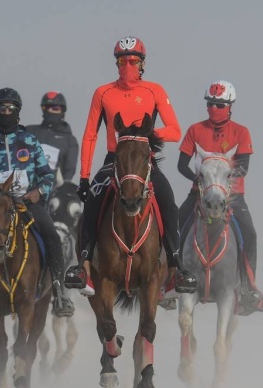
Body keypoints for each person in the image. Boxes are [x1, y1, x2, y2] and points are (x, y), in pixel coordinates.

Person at [64, 36, 197, 296]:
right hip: (114, 161)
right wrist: (84, 177)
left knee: (168, 202)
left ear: (142, 63)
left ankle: (175, 268)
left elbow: (175, 130)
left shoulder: (154, 90)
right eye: (122, 61)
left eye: (133, 60)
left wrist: (142, 135)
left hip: (145, 161)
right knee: (93, 199)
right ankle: (84, 267)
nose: (128, 65)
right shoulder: (103, 92)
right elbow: (90, 135)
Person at [0, 87, 75, 318]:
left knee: (51, 234)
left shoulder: (30, 141)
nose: (6, 112)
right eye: (1, 108)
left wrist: (38, 191)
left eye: (10, 108)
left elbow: (47, 174)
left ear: (18, 111)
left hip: (27, 203)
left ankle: (59, 291)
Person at [177, 80, 263, 316]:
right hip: (199, 194)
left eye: (219, 104)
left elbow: (243, 167)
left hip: (232, 196)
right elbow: (181, 164)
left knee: (250, 234)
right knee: (173, 227)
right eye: (211, 104)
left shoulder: (241, 132)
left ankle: (249, 288)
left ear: (230, 106)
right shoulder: (195, 130)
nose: (214, 108)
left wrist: (221, 184)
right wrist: (199, 181)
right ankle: (170, 280)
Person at [25, 91, 79, 186]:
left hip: (51, 192)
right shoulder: (29, 131)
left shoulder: (69, 140)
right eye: (46, 107)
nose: (50, 111)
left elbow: (69, 171)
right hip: (24, 189)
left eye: (55, 108)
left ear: (62, 111)